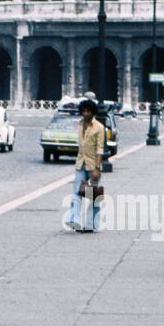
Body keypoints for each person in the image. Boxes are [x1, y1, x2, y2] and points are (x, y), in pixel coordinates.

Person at [63, 99, 106, 232]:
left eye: (88, 111)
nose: (85, 113)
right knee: (77, 193)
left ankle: (92, 224)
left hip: (93, 165)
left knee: (93, 196)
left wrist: (97, 168)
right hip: (80, 164)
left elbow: (100, 149)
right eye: (83, 111)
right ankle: (74, 220)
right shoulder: (80, 124)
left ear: (93, 112)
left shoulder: (99, 127)